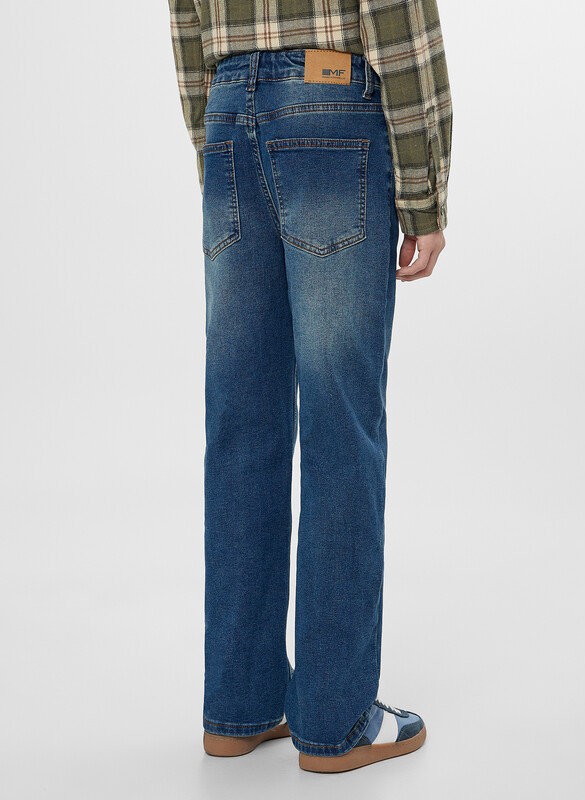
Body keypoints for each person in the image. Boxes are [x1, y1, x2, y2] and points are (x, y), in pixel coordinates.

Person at [167, 0, 452, 773]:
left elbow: (186, 22)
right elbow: (397, 16)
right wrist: (424, 194)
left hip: (228, 109)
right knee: (340, 424)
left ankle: (239, 707)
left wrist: (216, 144)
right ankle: (336, 720)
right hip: (330, 108)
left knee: (241, 425)